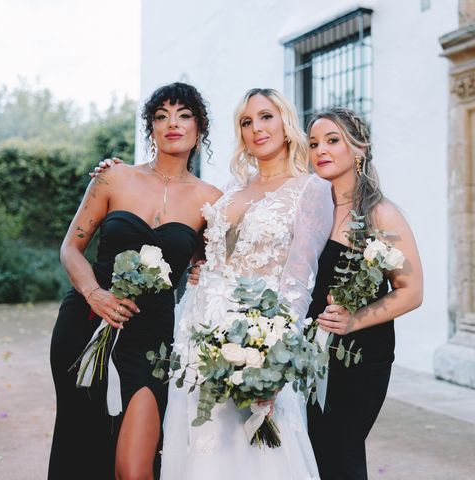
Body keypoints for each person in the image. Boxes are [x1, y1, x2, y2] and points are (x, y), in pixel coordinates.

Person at [48, 82, 221, 480]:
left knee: (135, 468)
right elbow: (70, 249)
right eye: (161, 116)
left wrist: (201, 271)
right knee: (82, 446)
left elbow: (212, 267)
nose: (172, 124)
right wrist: (94, 293)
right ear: (151, 128)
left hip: (152, 338)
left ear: (201, 126)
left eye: (183, 115)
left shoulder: (211, 200)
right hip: (88, 323)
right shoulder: (113, 178)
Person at [159, 88, 332, 479]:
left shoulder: (312, 189)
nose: (257, 128)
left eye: (266, 116)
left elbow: (299, 282)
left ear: (286, 123)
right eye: (246, 121)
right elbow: (212, 249)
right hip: (199, 331)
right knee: (202, 446)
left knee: (258, 452)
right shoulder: (231, 189)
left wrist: (275, 358)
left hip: (257, 338)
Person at [305, 107, 423, 480]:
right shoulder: (310, 210)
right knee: (310, 455)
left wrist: (354, 320)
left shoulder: (380, 214)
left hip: (359, 358)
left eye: (332, 140)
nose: (320, 150)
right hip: (306, 353)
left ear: (359, 148)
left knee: (341, 454)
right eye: (313, 143)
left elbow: (412, 290)